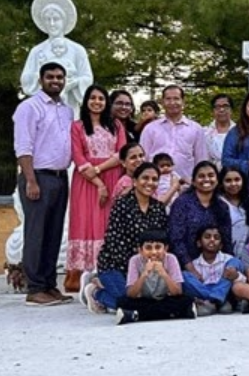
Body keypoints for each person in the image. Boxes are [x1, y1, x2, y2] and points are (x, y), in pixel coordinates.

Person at [13, 62, 74, 306]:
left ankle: (49, 285)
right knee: (36, 232)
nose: (56, 81)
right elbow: (23, 146)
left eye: (60, 77)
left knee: (54, 232)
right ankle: (35, 287)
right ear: (41, 80)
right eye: (50, 77)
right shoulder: (29, 107)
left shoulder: (66, 110)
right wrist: (30, 180)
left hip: (60, 176)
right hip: (38, 176)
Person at [85, 163, 168, 314]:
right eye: (145, 178)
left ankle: (105, 287)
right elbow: (113, 242)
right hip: (115, 265)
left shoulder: (158, 208)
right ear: (135, 181)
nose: (150, 183)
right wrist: (134, 271)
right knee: (130, 303)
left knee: (152, 301)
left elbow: (162, 241)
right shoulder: (121, 205)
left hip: (146, 267)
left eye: (154, 179)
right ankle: (96, 293)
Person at [67, 84, 126, 292]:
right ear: (86, 101)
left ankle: (106, 272)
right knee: (85, 222)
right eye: (93, 98)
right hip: (86, 181)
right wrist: (98, 182)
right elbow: (78, 155)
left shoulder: (116, 125)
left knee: (109, 223)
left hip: (111, 175)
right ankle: (82, 276)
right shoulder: (77, 126)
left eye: (101, 98)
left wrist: (99, 169)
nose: (97, 102)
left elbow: (121, 154)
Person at [114, 229, 196, 325]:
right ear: (140, 250)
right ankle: (174, 314)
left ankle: (136, 315)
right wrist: (144, 274)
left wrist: (164, 273)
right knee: (122, 301)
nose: (153, 252)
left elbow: (177, 292)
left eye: (158, 247)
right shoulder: (134, 261)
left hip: (165, 298)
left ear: (165, 249)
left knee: (185, 299)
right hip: (144, 300)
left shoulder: (171, 259)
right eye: (148, 248)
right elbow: (131, 294)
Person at [168, 161, 234, 269]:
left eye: (211, 175)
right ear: (193, 182)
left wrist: (230, 265)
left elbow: (226, 239)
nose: (207, 179)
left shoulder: (222, 206)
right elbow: (175, 239)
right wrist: (190, 268)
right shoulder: (182, 203)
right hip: (184, 266)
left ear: (217, 180)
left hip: (215, 266)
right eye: (201, 176)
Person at [140, 85, 209, 180]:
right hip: (156, 185)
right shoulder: (150, 129)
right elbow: (143, 159)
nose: (172, 102)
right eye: (168, 99)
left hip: (186, 185)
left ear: (183, 101)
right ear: (162, 102)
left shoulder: (196, 129)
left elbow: (201, 160)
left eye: (176, 98)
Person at [182, 226, 244, 316]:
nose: (212, 240)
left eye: (216, 238)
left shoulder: (227, 260)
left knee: (234, 263)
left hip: (225, 292)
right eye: (207, 237)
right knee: (184, 275)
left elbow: (243, 280)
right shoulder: (194, 265)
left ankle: (214, 301)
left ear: (221, 245)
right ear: (199, 243)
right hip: (203, 293)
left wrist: (236, 275)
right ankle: (217, 301)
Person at [219, 167, 249, 254]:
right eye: (228, 180)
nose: (233, 184)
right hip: (225, 254)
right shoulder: (217, 203)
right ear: (221, 183)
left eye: (237, 180)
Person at [204, 94, 235, 170]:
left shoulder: (240, 132)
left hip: (234, 174)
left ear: (231, 110)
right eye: (218, 107)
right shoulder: (205, 133)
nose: (221, 110)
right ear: (213, 111)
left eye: (225, 106)